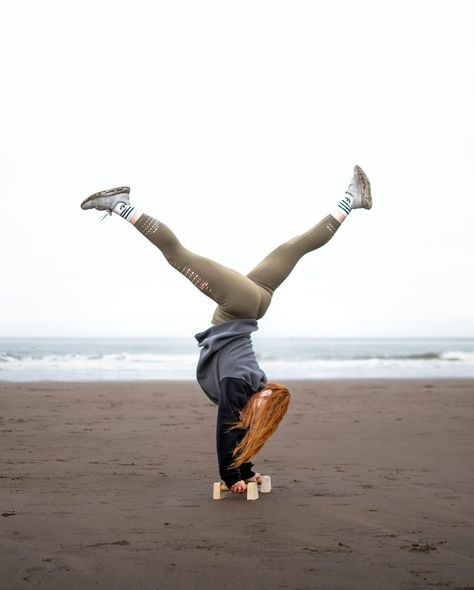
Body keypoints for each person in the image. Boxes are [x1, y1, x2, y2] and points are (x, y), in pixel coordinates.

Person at [80, 165, 372, 494]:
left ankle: (351, 200)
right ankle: (121, 205)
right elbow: (229, 430)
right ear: (266, 395)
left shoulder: (253, 384)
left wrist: (244, 472)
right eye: (264, 404)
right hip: (240, 306)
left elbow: (237, 429)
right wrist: (232, 477)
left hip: (251, 306)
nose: (259, 409)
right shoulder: (242, 382)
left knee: (294, 249)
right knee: (178, 254)